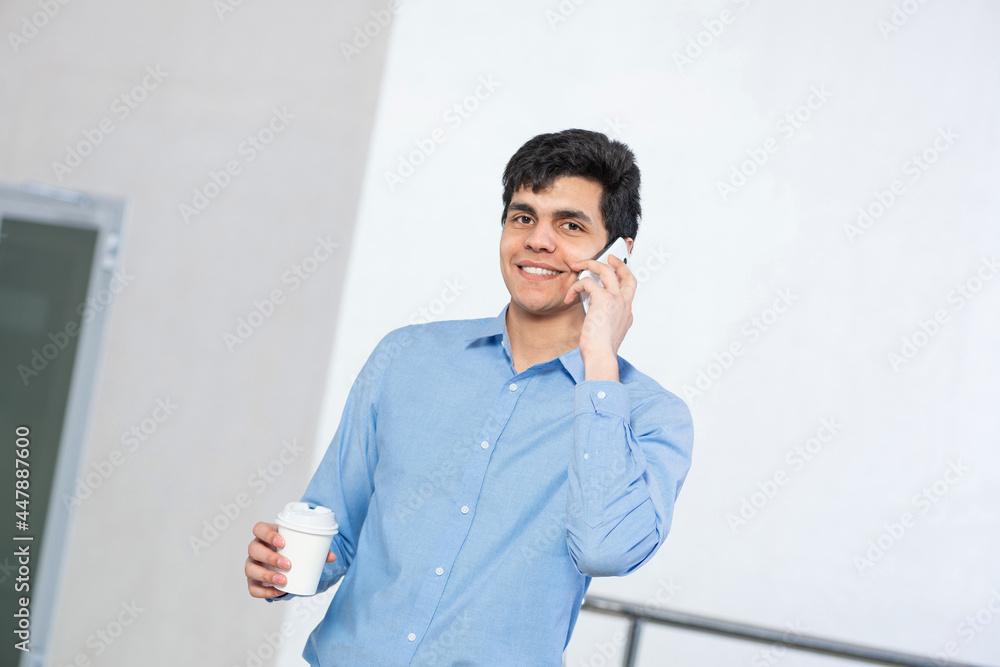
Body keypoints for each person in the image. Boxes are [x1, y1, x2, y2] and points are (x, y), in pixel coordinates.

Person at [245, 128, 694, 665]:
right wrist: (284, 568)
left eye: (570, 225)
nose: (537, 241)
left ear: (617, 253)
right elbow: (335, 527)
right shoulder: (405, 357)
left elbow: (606, 548)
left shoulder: (650, 416)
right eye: (523, 217)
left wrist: (599, 361)